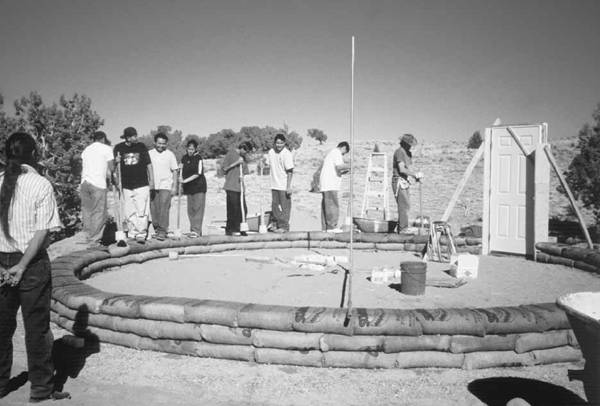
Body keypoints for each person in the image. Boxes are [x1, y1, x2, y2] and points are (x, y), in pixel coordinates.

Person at [0, 132, 71, 403]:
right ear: (35, 154)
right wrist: (21, 266)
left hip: (2, 263)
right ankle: (41, 389)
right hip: (31, 265)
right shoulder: (40, 184)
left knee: (1, 328)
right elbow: (42, 233)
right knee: (37, 329)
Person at [113, 126, 154, 242]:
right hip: (126, 185)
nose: (136, 138)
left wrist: (152, 181)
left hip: (141, 183)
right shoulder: (118, 148)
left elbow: (149, 165)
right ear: (127, 137)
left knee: (141, 210)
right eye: (133, 136)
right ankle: (132, 232)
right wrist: (116, 162)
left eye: (136, 135)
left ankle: (141, 232)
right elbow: (114, 166)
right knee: (129, 210)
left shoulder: (141, 147)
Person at [80, 131, 114, 245]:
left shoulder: (86, 150)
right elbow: (112, 167)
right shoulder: (106, 148)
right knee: (99, 211)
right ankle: (94, 239)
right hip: (97, 183)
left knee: (87, 211)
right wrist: (116, 161)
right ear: (103, 139)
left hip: (84, 183)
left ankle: (88, 237)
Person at [148, 133, 178, 240]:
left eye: (163, 144)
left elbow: (175, 170)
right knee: (153, 209)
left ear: (166, 144)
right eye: (159, 143)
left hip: (166, 185)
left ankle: (162, 231)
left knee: (164, 208)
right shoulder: (149, 154)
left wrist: (174, 186)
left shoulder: (170, 154)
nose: (161, 146)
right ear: (155, 143)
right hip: (152, 186)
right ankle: (156, 228)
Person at [392, 133, 423, 233]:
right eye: (409, 144)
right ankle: (402, 229)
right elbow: (401, 169)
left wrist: (416, 176)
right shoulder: (399, 152)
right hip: (398, 180)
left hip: (405, 181)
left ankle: (402, 226)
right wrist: (414, 175)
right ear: (404, 143)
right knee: (403, 205)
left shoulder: (408, 153)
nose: (410, 146)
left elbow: (408, 168)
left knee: (407, 205)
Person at [319, 141, 351, 232]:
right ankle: (332, 227)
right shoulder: (337, 153)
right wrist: (350, 165)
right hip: (330, 183)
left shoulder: (331, 153)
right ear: (343, 148)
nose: (343, 155)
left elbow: (336, 169)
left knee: (326, 205)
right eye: (344, 153)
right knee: (332, 204)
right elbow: (339, 167)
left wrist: (345, 171)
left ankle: (325, 227)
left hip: (327, 183)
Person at [265, 133, 294, 232]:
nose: (279, 145)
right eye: (277, 143)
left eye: (281, 143)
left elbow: (290, 171)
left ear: (284, 143)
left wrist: (288, 186)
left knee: (285, 207)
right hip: (274, 184)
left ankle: (284, 227)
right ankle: (276, 224)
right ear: (274, 143)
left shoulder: (287, 154)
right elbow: (267, 165)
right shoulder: (271, 152)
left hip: (283, 185)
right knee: (275, 206)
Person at [221, 141, 251, 236]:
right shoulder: (231, 154)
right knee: (232, 209)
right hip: (231, 186)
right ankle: (230, 229)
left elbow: (245, 172)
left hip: (240, 187)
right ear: (242, 148)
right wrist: (236, 163)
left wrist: (243, 176)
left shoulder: (244, 158)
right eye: (246, 151)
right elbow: (224, 169)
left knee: (243, 209)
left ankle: (241, 228)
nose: (246, 153)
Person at [180, 139, 207, 237]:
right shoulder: (184, 158)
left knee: (198, 209)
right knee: (190, 210)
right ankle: (193, 230)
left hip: (199, 187)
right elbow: (181, 168)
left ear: (195, 149)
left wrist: (185, 181)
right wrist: (181, 178)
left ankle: (196, 230)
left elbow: (198, 173)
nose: (190, 151)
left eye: (192, 149)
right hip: (189, 188)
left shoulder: (198, 158)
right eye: (189, 149)